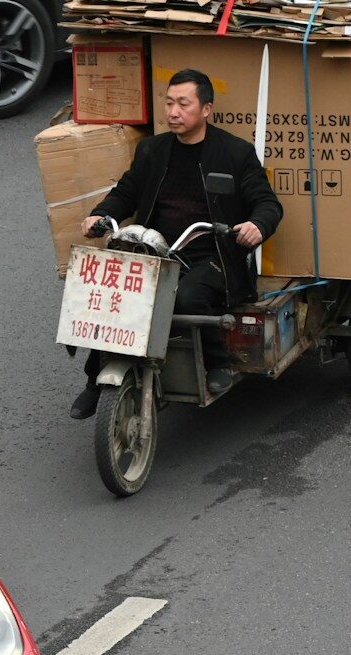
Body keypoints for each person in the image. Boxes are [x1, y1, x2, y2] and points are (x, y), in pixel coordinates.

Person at [69, 68, 283, 419]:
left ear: (206, 109)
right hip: (153, 250)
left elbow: (268, 203)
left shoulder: (235, 153)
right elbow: (126, 193)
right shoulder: (152, 150)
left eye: (183, 104)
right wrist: (101, 215)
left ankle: (217, 363)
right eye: (169, 103)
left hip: (211, 256)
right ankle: (95, 381)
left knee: (187, 297)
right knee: (110, 295)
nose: (173, 112)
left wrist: (257, 225)